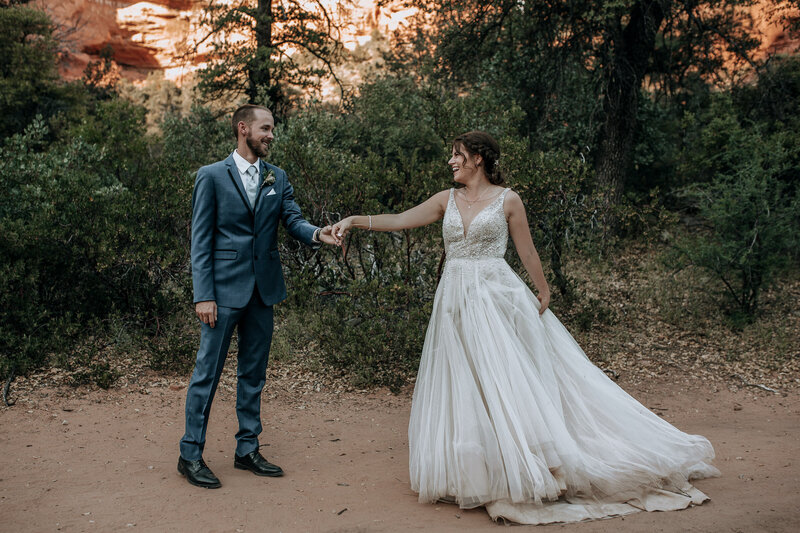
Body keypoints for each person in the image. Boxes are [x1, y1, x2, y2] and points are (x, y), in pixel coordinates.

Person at [331, 131, 719, 524]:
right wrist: (354, 221)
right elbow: (399, 220)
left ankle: (527, 464)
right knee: (466, 380)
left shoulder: (508, 199)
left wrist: (544, 290)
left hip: (496, 296)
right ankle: (480, 469)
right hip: (454, 300)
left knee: (504, 377)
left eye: (457, 155)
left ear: (478, 158)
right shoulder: (445, 200)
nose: (450, 162)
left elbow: (526, 249)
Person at [178, 104, 337, 489]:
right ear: (243, 128)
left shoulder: (276, 178)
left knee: (254, 375)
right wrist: (204, 295)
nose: (270, 135)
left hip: (262, 293)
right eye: (265, 128)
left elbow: (293, 220)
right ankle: (190, 454)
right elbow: (200, 241)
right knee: (207, 375)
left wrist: (318, 234)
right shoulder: (211, 176)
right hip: (222, 294)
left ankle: (246, 449)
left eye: (272, 130)